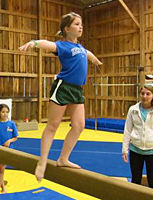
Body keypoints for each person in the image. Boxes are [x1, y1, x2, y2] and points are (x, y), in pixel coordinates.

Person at [18, 12, 103, 181]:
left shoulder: (82, 48)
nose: (81, 27)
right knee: (53, 126)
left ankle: (63, 158)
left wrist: (96, 61)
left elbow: (89, 54)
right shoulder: (63, 46)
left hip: (77, 90)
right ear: (67, 28)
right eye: (77, 24)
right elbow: (47, 44)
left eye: (81, 24)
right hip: (63, 88)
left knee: (79, 125)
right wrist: (33, 43)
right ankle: (42, 162)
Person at [122, 85, 153, 189]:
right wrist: (125, 149)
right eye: (142, 93)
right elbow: (127, 130)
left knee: (152, 181)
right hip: (136, 150)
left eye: (148, 94)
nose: (145, 96)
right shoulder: (133, 110)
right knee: (135, 180)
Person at [0, 104, 18, 194]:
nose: (5, 114)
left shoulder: (11, 124)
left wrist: (9, 141)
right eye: (3, 112)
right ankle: (3, 187)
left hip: (7, 150)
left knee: (1, 169)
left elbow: (16, 137)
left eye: (7, 112)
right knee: (0, 170)